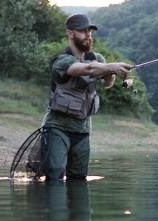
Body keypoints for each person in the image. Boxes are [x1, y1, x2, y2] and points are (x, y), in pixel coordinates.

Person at [41, 13, 132, 181]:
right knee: (54, 179)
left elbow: (107, 84)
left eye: (90, 30)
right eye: (83, 31)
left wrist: (110, 75)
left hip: (83, 131)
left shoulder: (98, 58)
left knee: (78, 181)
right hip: (57, 129)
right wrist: (112, 66)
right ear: (71, 33)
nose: (88, 34)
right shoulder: (61, 61)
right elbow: (86, 69)